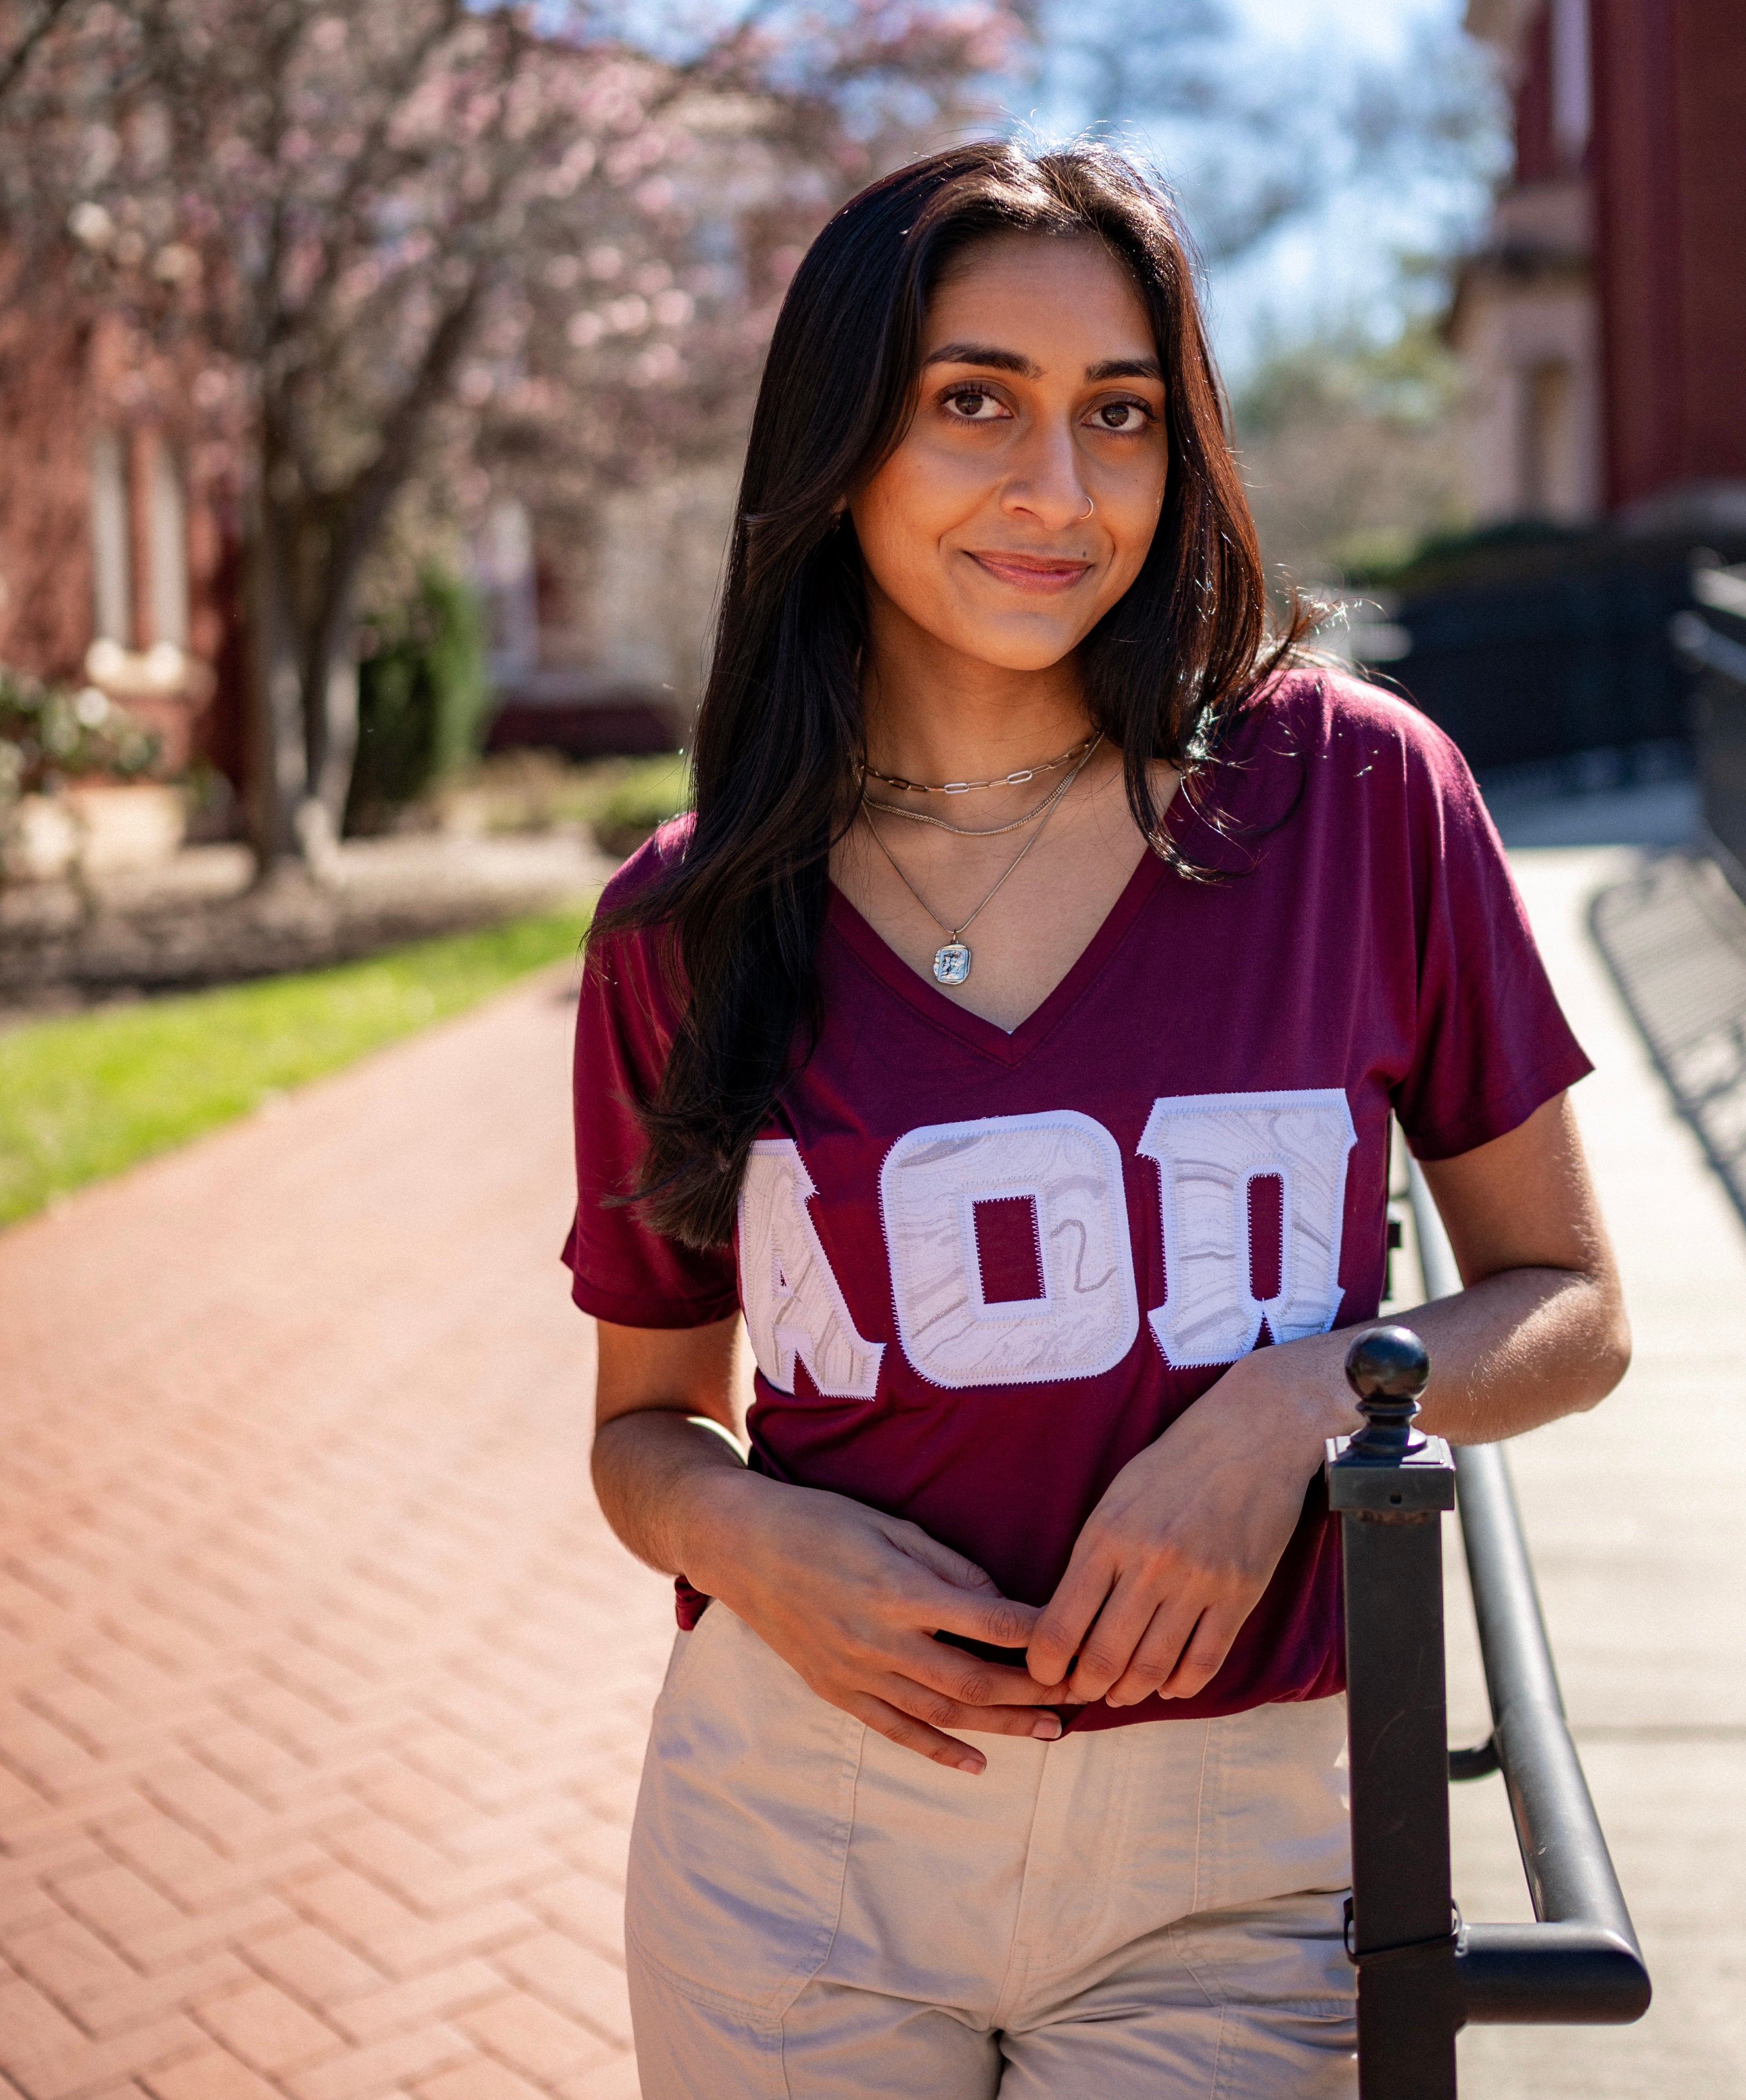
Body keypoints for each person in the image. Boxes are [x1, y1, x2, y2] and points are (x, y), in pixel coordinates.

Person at [565, 139, 1629, 2099]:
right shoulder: (685, 918)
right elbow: (644, 1426)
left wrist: (1305, 1401)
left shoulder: (1353, 796)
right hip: (790, 1840)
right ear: (842, 445)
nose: (1058, 492)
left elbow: (1568, 1302)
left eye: (1119, 417)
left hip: (1238, 1858)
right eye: (976, 402)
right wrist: (748, 1535)